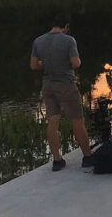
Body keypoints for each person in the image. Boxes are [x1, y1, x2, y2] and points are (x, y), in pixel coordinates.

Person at [30, 15, 94, 171]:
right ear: (65, 27)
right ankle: (87, 157)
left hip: (48, 85)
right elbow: (76, 63)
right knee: (77, 120)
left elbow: (33, 65)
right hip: (66, 84)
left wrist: (45, 63)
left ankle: (57, 160)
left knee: (53, 120)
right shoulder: (69, 40)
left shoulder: (38, 41)